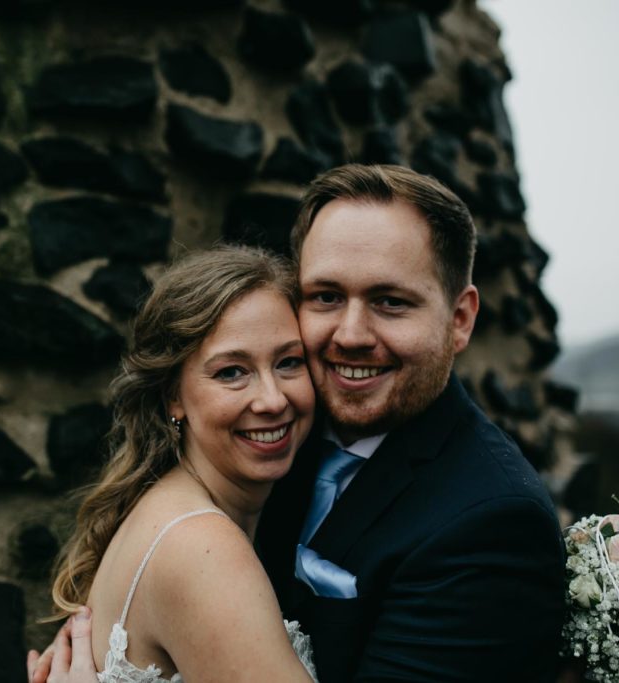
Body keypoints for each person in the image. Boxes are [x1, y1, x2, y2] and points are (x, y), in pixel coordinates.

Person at [30, 164, 566, 682]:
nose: (351, 334)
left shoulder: (493, 521)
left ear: (460, 318)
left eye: (390, 301)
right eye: (327, 297)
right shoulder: (267, 452)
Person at [32, 245, 320, 683]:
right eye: (231, 372)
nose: (273, 399)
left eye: (288, 363)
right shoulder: (202, 549)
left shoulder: (165, 504)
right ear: (173, 395)